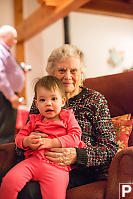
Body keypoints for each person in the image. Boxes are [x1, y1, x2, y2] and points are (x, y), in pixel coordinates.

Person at [16, 44, 118, 199]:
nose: (68, 76)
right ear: (50, 74)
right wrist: (28, 142)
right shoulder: (42, 101)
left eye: (74, 70)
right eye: (62, 70)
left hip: (79, 170)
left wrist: (78, 155)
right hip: (39, 162)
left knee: (30, 190)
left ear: (82, 73)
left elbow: (110, 149)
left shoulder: (95, 100)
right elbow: (21, 142)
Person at [0, 75, 85, 199]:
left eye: (53, 98)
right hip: (32, 162)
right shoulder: (35, 120)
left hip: (57, 167)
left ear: (62, 101)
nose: (48, 104)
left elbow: (75, 137)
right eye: (42, 100)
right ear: (37, 104)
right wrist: (26, 140)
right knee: (9, 181)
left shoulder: (67, 118)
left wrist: (51, 143)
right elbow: (19, 137)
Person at [0, 25, 25, 144]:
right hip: (4, 95)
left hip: (5, 93)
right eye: (14, 38)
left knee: (8, 129)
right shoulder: (0, 49)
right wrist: (10, 95)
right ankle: (5, 160)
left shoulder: (4, 50)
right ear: (5, 36)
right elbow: (0, 74)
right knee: (6, 131)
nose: (15, 41)